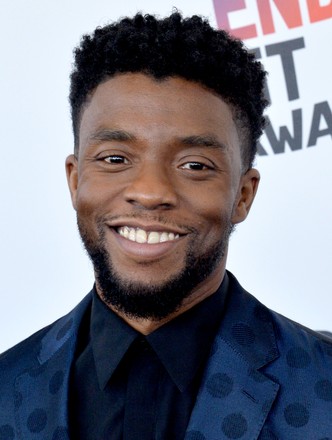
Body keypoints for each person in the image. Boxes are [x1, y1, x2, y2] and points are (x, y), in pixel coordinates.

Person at [0, 11, 331, 440]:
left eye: (194, 165)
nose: (151, 191)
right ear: (76, 179)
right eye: (115, 159)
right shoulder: (8, 387)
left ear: (243, 195)